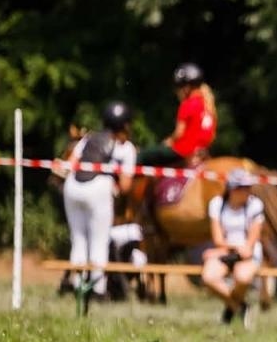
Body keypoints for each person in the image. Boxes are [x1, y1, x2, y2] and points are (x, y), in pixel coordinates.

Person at [59, 101, 137, 300]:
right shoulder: (126, 148)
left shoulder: (88, 138)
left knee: (78, 239)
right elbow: (126, 185)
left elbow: (70, 165)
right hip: (99, 187)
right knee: (99, 241)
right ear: (125, 125)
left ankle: (78, 285)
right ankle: (97, 290)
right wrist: (114, 190)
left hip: (72, 186)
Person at [203, 167, 265, 327]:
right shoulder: (217, 204)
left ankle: (230, 311)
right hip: (226, 252)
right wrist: (235, 248)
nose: (249, 191)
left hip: (247, 254)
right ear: (233, 189)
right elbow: (217, 238)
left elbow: (251, 243)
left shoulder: (255, 205)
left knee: (242, 278)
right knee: (209, 277)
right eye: (245, 188)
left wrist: (232, 248)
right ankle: (240, 306)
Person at [137, 63, 217, 166]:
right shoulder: (208, 106)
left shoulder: (188, 104)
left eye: (178, 87)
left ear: (187, 87)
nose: (177, 91)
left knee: (144, 154)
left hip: (184, 150)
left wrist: (168, 141)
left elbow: (179, 133)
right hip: (203, 150)